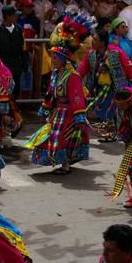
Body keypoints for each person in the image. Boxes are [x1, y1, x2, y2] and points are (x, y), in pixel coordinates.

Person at [27, 12, 91, 174]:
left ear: (64, 59)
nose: (52, 60)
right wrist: (45, 107)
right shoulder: (56, 74)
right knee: (52, 137)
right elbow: (50, 92)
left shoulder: (73, 76)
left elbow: (77, 98)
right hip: (57, 112)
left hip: (69, 113)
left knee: (64, 138)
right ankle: (62, 161)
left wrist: (79, 117)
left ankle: (65, 165)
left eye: (55, 57)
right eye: (53, 56)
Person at [79, 28, 132, 141]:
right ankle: (111, 132)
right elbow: (83, 68)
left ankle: (112, 134)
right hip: (100, 89)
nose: (92, 41)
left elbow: (128, 65)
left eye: (95, 39)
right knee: (102, 110)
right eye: (93, 39)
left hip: (116, 88)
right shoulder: (91, 54)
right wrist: (75, 78)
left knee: (111, 111)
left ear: (102, 42)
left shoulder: (115, 52)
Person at [0, 5, 27, 99]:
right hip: (3, 66)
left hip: (16, 66)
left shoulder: (18, 29)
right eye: (14, 15)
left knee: (15, 91)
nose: (16, 17)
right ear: (7, 16)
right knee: (4, 93)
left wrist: (25, 63)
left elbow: (22, 48)